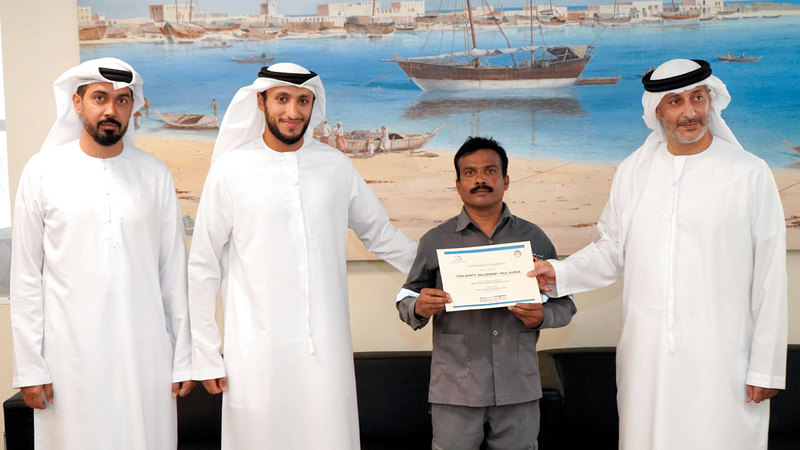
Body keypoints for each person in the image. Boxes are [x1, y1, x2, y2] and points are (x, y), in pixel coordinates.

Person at [529, 59, 787, 449]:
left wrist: (766, 368)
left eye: (697, 98)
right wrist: (559, 273)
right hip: (647, 358)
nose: (690, 112)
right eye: (675, 101)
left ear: (711, 100)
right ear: (657, 111)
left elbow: (770, 275)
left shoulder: (749, 172)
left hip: (723, 358)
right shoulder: (633, 172)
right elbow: (613, 250)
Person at [188, 62, 418, 449]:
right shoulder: (230, 170)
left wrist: (448, 272)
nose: (293, 112)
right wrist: (205, 353)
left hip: (326, 351)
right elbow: (202, 266)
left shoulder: (335, 166)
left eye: (303, 101)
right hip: (257, 353)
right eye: (282, 99)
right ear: (261, 101)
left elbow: (380, 235)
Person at [10, 57, 193, 449]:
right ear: (77, 103)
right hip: (69, 360)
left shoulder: (155, 174)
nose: (111, 110)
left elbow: (172, 274)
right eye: (100, 98)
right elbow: (25, 276)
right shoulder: (41, 172)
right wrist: (30, 367)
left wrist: (183, 358)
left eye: (122, 100)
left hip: (145, 356)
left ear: (132, 107)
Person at [397, 136, 576, 449]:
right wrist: (419, 307)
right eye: (470, 173)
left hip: (517, 387)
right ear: (458, 184)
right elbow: (405, 298)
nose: (480, 179)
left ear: (505, 180)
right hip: (455, 389)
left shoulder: (534, 237)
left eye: (490, 171)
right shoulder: (435, 240)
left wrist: (542, 316)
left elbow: (566, 303)